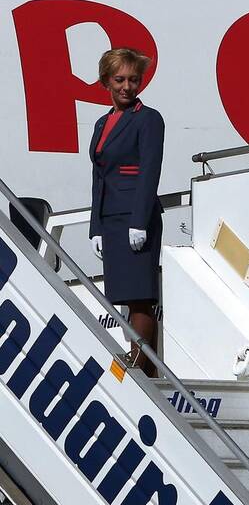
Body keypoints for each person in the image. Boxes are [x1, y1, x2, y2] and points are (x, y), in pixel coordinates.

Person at [88, 48, 165, 378]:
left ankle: (138, 368)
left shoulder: (148, 119)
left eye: (133, 80)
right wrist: (95, 226)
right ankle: (147, 371)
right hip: (111, 219)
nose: (127, 87)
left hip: (136, 217)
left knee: (139, 296)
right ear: (106, 81)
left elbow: (149, 170)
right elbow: (99, 177)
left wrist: (139, 220)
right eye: (119, 79)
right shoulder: (102, 122)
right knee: (124, 295)